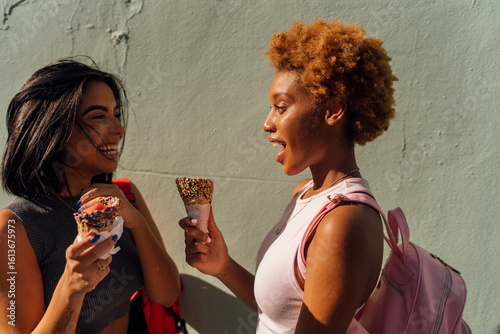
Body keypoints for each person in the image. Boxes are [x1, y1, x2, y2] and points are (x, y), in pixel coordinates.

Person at [180, 19, 397, 333]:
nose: (267, 123)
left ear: (333, 109)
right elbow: (283, 314)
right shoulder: (306, 193)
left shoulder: (343, 221)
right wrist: (223, 266)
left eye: (281, 107)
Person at [0, 57, 180, 333]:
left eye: (116, 114)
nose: (118, 130)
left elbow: (167, 294)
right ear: (53, 130)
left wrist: (136, 221)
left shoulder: (124, 197)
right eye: (98, 117)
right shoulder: (12, 229)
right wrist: (72, 286)